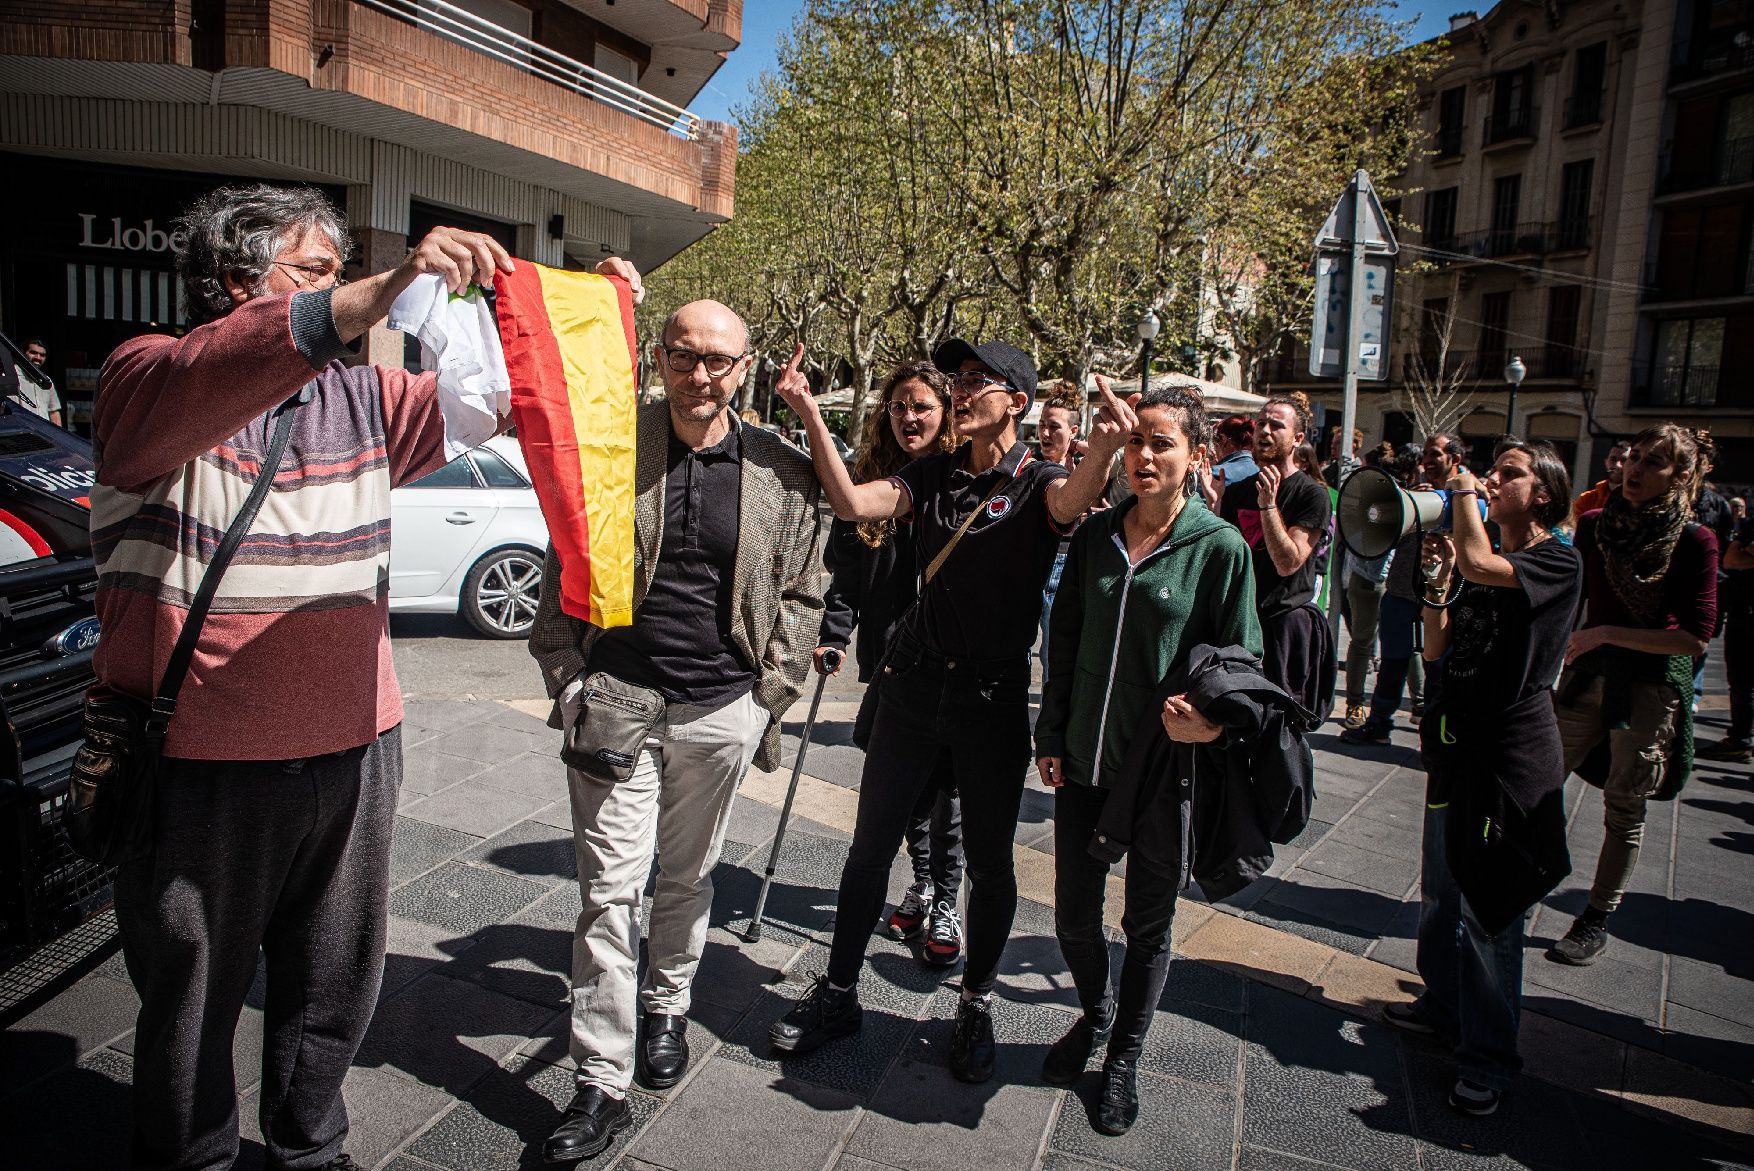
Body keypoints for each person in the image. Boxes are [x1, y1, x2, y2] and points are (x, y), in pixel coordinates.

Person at [95, 183, 637, 1171]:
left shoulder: (365, 396)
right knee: (194, 992)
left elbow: (504, 396)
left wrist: (585, 316)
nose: (343, 291)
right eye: (315, 271)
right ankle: (195, 1153)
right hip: (206, 759)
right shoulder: (148, 377)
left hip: (356, 748)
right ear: (233, 283)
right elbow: (230, 361)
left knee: (334, 982)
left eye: (343, 271)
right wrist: (387, 285)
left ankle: (311, 1146)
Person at [769, 337, 1131, 1082]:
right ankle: (839, 992)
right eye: (956, 378)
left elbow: (1077, 496)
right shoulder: (929, 473)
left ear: (1017, 401)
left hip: (992, 699)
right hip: (911, 687)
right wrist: (807, 410)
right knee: (869, 849)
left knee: (991, 865)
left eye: (976, 381)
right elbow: (851, 500)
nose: (960, 391)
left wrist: (1107, 444)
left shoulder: (1041, 483)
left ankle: (975, 1001)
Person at [527, 300, 824, 1162]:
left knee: (689, 878)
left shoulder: (782, 466)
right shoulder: (615, 446)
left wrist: (771, 691)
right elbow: (560, 555)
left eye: (720, 361)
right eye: (685, 357)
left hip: (721, 708)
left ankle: (667, 1004)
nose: (701, 375)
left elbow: (806, 587)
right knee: (609, 892)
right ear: (659, 357)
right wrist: (567, 676)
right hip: (616, 699)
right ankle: (600, 1080)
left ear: (747, 366)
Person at [1033, 385, 1261, 1134]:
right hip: (1086, 763)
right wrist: (1051, 734)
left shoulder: (1219, 548)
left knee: (1148, 922)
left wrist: (1213, 725)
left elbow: (1245, 664)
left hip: (1164, 771)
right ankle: (1097, 1011)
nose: (1143, 456)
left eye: (1162, 443)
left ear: (1197, 457)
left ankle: (1124, 1055)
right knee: (1072, 911)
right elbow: (1062, 642)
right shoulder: (1097, 534)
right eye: (1136, 443)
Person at [1382, 440, 1581, 1119]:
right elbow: (1437, 648)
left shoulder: (1555, 559)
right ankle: (1443, 1006)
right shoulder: (1482, 557)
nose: (1492, 481)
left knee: (1490, 911)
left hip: (1511, 761)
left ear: (1545, 493)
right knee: (1441, 888)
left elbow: (1479, 561)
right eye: (1490, 472)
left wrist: (1461, 496)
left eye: (1508, 474)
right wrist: (1435, 590)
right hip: (1457, 746)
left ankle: (1488, 1058)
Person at [1549, 424, 1717, 966]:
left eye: (1653, 464)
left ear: (1681, 476)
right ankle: (1517, 881)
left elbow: (1694, 637)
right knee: (1537, 778)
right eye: (1634, 458)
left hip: (1648, 690)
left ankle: (1596, 914)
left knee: (1625, 805)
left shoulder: (1695, 540)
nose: (1635, 471)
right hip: (1584, 680)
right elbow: (1572, 601)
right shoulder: (1595, 525)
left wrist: (1606, 634)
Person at [815, 361, 965, 965]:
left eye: (923, 406)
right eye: (900, 406)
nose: (909, 418)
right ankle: (925, 879)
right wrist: (834, 634)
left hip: (948, 665)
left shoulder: (961, 485)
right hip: (890, 663)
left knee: (944, 789)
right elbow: (846, 576)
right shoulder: (868, 482)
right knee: (899, 789)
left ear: (945, 414)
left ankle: (947, 897)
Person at [1218, 393, 1334, 712]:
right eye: (1261, 424)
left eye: (1276, 425)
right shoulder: (1239, 491)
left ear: (1297, 439)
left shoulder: (1312, 495)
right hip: (1242, 622)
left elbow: (1288, 562)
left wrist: (1269, 505)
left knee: (1279, 726)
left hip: (1284, 625)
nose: (1265, 431)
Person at [1343, 437, 1462, 746]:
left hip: (1442, 596)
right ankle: (1380, 722)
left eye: (1436, 454)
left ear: (1455, 458)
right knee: (1393, 660)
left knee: (1437, 666)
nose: (1428, 460)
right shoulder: (1411, 490)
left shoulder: (1467, 496)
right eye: (1426, 454)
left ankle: (1435, 733)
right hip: (1401, 590)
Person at [1037, 380, 1085, 671]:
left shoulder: (1090, 469)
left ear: (1073, 431)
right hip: (1032, 561)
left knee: (1054, 656)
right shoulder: (1029, 466)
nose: (1044, 433)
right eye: (1042, 424)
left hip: (1066, 565)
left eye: (1054, 426)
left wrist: (1079, 449)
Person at [1701, 506, 1754, 762]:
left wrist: (1748, 554)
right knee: (1740, 680)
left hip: (1746, 614)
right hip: (1743, 609)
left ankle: (1742, 739)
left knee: (1743, 682)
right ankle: (1740, 738)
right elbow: (1731, 559)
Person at [1341, 530, 1392, 728]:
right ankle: (1355, 704)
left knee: (1410, 646)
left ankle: (1420, 704)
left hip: (1407, 578)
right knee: (1362, 641)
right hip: (1369, 572)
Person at [1201, 413, 1256, 506]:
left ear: (1223, 439)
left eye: (1216, 439)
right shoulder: (1261, 470)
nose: (1215, 446)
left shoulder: (1216, 474)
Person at [1573, 439, 1629, 516]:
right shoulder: (1586, 499)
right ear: (1606, 463)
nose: (1617, 465)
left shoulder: (1639, 500)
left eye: (1624, 460)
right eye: (1613, 459)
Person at [17, 337, 63, 425]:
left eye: (42, 355)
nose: (38, 357)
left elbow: (54, 412)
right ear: (23, 353)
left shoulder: (47, 381)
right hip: (22, 432)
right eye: (33, 353)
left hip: (43, 434)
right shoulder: (12, 375)